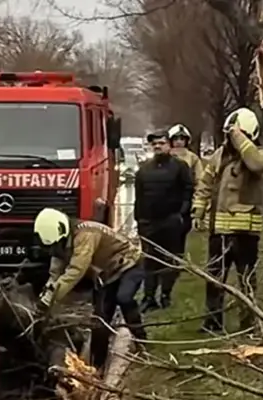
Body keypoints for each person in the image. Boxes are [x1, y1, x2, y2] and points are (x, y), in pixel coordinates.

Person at [193, 108, 263, 334]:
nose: (231, 139)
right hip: (218, 232)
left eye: (235, 134)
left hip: (245, 234)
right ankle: (213, 323)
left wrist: (239, 138)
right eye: (229, 134)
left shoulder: (261, 155)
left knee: (246, 281)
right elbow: (205, 184)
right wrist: (198, 211)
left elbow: (255, 164)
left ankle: (247, 324)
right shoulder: (219, 155)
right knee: (214, 279)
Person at [35, 207, 146, 369]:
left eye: (56, 245)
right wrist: (44, 298)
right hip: (108, 276)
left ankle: (142, 340)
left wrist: (51, 298)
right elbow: (55, 274)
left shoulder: (85, 235)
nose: (55, 250)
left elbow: (76, 271)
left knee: (124, 298)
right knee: (100, 321)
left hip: (129, 265)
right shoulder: (60, 243)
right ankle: (95, 367)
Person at [134, 130, 193, 311]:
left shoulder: (180, 167)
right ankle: (149, 297)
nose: (158, 146)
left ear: (169, 145)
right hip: (149, 222)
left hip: (171, 221)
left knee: (169, 260)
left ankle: (166, 295)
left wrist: (182, 215)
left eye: (161, 143)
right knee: (149, 261)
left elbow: (188, 191)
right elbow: (140, 197)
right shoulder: (144, 170)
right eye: (154, 144)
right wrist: (139, 220)